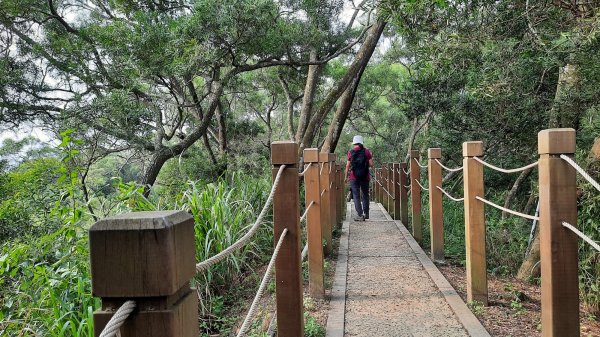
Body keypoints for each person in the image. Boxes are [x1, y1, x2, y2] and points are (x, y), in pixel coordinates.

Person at [344, 135, 374, 221]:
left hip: (354, 177)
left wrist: (345, 177)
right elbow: (371, 164)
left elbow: (347, 166)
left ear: (354, 143)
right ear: (361, 142)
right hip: (365, 176)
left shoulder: (351, 152)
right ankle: (366, 213)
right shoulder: (366, 151)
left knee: (356, 196)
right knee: (365, 195)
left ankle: (360, 215)